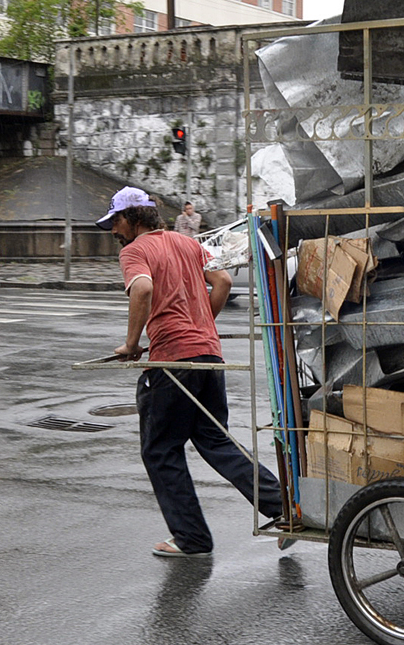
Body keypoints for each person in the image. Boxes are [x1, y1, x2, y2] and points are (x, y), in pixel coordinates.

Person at [96, 187, 290, 557]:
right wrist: (201, 327)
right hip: (208, 356)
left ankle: (192, 538)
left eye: (116, 221)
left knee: (160, 450)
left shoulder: (134, 251)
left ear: (135, 218)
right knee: (216, 441)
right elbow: (224, 282)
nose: (113, 230)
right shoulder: (186, 243)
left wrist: (132, 344)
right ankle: (283, 508)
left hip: (172, 362)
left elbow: (142, 289)